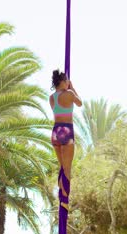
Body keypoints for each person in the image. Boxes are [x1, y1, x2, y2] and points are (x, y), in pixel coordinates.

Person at [49, 69, 82, 210]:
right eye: (67, 80)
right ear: (63, 82)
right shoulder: (69, 94)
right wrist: (72, 88)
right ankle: (65, 200)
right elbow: (79, 103)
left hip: (55, 132)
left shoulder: (52, 97)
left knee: (62, 167)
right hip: (66, 130)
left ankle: (61, 195)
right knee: (67, 168)